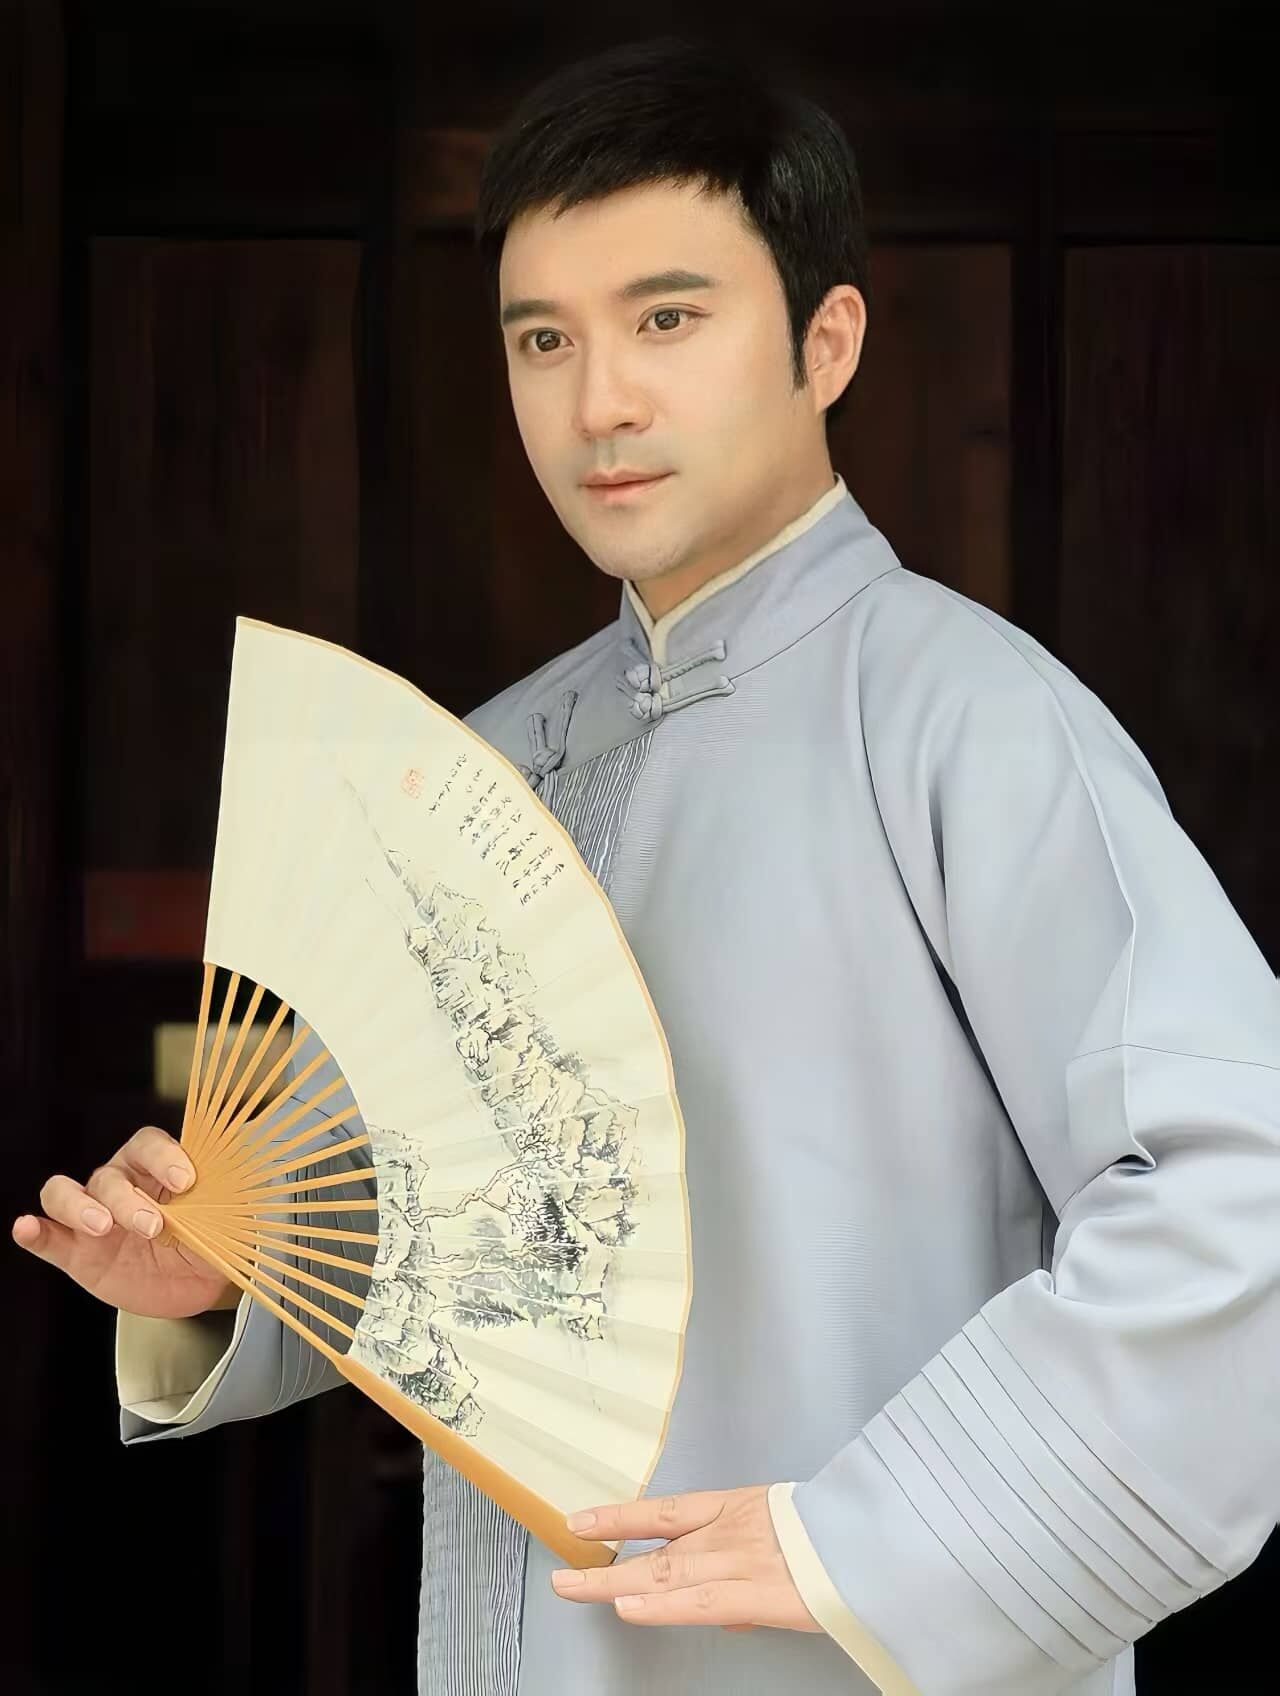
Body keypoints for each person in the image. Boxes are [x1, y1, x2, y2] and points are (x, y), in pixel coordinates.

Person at [14, 33, 1280, 1696]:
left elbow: (1238, 1193)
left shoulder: (969, 718)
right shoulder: (484, 765)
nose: (598, 401)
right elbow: (439, 1244)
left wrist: (877, 1538)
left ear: (827, 341)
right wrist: (218, 1278)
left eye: (667, 320)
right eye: (544, 339)